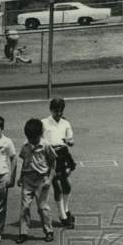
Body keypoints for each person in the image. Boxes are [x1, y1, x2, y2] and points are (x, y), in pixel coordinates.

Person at [16, 117, 57, 244]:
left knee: (42, 207)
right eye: (29, 138)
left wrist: (49, 179)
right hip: (28, 179)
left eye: (33, 138)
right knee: (25, 207)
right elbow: (25, 162)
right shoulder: (25, 146)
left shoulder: (45, 145)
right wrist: (20, 177)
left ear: (40, 134)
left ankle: (48, 231)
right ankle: (23, 232)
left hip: (41, 179)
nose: (31, 141)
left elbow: (53, 162)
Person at [42, 97, 77, 228]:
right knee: (57, 186)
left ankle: (66, 209)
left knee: (66, 185)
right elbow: (40, 140)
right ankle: (62, 216)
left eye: (61, 111)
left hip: (63, 154)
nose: (58, 114)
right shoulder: (44, 123)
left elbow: (70, 139)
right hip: (50, 155)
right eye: (56, 111)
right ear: (51, 110)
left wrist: (70, 141)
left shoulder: (65, 123)